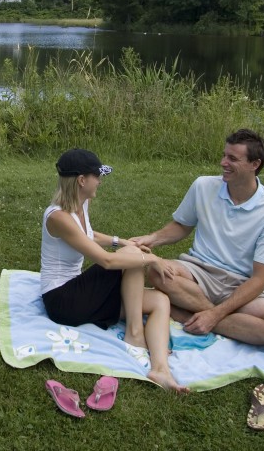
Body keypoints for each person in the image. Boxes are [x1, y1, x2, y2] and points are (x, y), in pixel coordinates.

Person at [130, 129, 264, 346]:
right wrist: (151, 239)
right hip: (199, 271)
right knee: (157, 271)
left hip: (241, 284)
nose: (223, 162)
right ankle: (217, 319)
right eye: (224, 155)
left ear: (254, 164)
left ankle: (187, 315)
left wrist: (215, 315)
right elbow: (182, 225)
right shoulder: (203, 186)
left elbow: (259, 279)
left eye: (232, 158)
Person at [40, 148, 188, 392]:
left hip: (81, 297)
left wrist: (122, 241)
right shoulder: (58, 217)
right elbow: (106, 262)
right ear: (81, 180)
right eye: (97, 176)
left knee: (160, 301)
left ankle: (161, 369)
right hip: (62, 300)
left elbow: (88, 235)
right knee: (134, 258)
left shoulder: (81, 203)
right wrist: (152, 260)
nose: (100, 181)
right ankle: (135, 333)